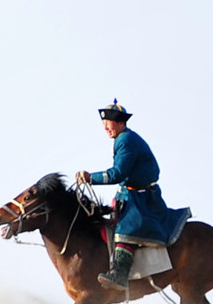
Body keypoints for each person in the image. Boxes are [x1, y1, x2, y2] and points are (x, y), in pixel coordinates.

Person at [76, 99, 191, 291]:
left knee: (125, 229)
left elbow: (117, 174)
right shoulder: (122, 139)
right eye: (104, 123)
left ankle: (120, 276)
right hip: (129, 195)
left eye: (109, 122)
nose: (105, 127)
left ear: (120, 122)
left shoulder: (126, 140)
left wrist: (90, 178)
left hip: (142, 198)